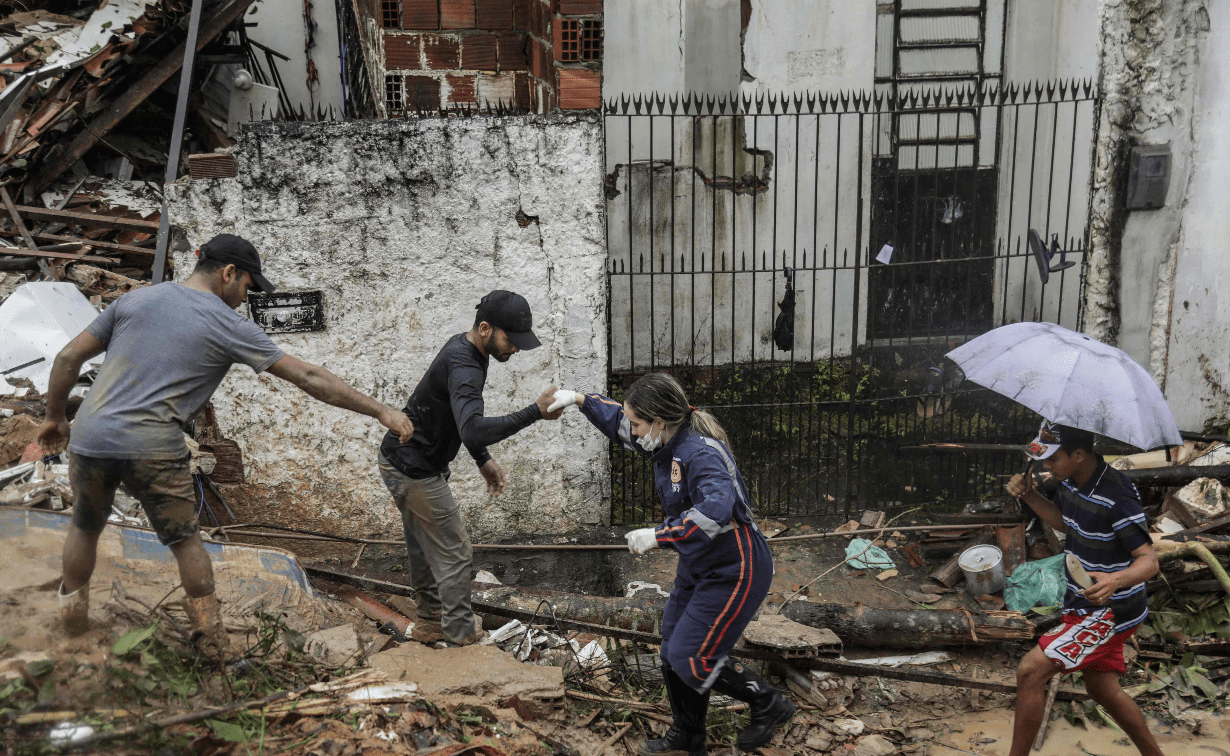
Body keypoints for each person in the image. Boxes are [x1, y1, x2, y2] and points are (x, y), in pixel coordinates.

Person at [34, 234, 415, 655]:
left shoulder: (136, 301)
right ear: (229, 273)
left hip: (91, 436)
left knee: (85, 529)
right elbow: (309, 377)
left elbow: (68, 357)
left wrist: (54, 418)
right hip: (152, 444)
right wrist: (380, 411)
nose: (245, 299)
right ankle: (210, 641)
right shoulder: (226, 323)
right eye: (248, 287)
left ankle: (71, 629)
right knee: (185, 542)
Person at [548, 374, 795, 754]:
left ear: (659, 422)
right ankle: (688, 735)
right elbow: (617, 421)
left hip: (736, 566)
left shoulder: (699, 453)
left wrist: (660, 535)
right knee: (670, 651)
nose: (631, 430)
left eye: (638, 423)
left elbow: (717, 508)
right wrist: (579, 399)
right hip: (699, 564)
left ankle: (767, 701)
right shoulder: (661, 440)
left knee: (691, 654)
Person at [378, 290, 563, 648]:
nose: (516, 349)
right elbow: (472, 427)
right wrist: (534, 413)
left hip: (402, 458)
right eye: (511, 339)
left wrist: (482, 459)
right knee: (454, 552)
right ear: (484, 328)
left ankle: (431, 623)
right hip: (413, 467)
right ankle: (462, 641)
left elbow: (459, 419)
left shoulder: (467, 351)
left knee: (423, 547)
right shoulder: (465, 365)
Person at [1004, 421, 1164, 756]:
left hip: (1110, 610)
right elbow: (1067, 523)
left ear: (1078, 454)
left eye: (1053, 459)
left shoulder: (1117, 496)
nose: (1046, 466)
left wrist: (1114, 580)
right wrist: (1029, 494)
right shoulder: (1072, 481)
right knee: (1103, 690)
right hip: (1083, 602)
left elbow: (1150, 561)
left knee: (1030, 672)